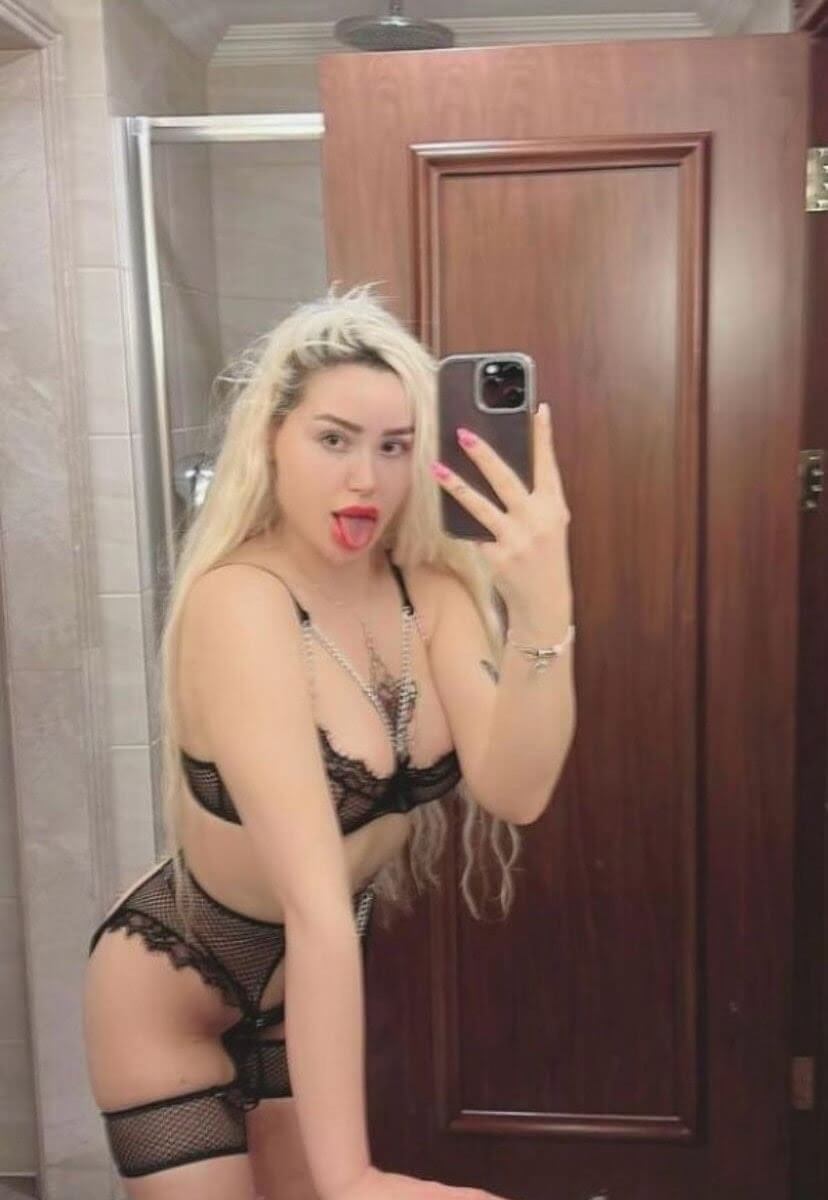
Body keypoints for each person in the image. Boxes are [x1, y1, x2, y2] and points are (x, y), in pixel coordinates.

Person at [83, 285, 575, 1200]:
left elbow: (517, 789)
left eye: (394, 447)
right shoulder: (241, 603)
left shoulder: (432, 591)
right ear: (272, 439)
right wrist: (350, 1179)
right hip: (175, 983)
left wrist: (546, 609)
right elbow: (312, 899)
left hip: (306, 986)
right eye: (334, 439)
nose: (366, 482)